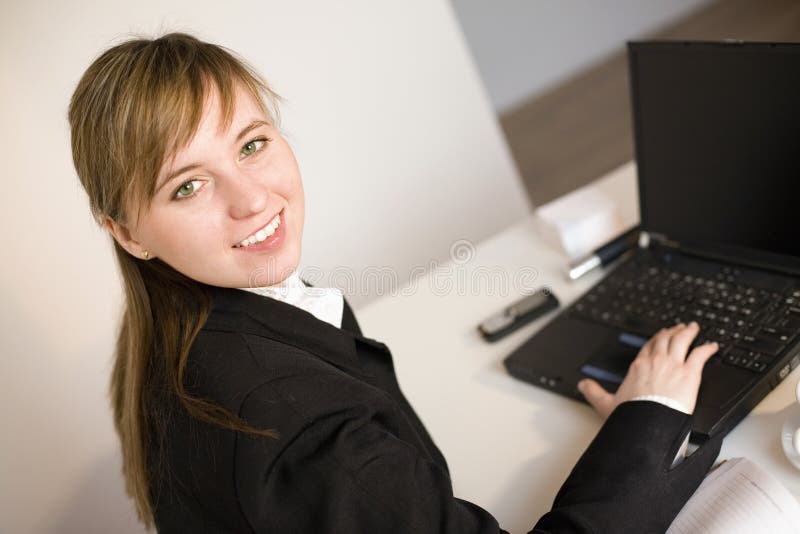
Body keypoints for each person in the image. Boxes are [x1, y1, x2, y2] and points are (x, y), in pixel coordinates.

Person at [68, 32, 722, 533]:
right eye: (188, 185)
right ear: (126, 232)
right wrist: (647, 423)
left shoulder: (178, 324)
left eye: (251, 144)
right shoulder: (307, 435)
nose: (251, 200)